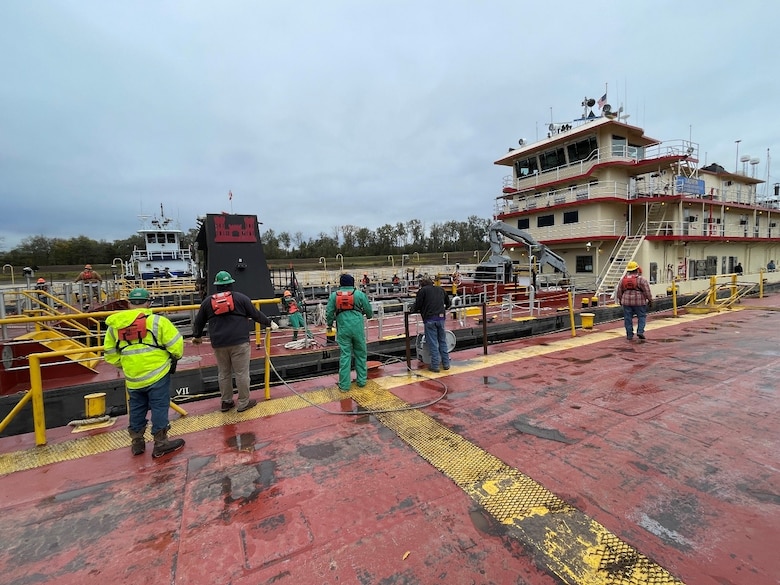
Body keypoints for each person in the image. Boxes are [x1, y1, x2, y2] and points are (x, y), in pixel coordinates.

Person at [104, 288, 185, 458]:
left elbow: (110, 353)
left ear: (128, 303)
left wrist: (125, 365)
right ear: (148, 303)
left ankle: (137, 443)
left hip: (132, 376)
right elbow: (176, 345)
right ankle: (161, 443)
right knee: (159, 406)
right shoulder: (158, 322)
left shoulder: (115, 326)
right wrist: (172, 357)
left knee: (136, 407)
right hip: (157, 372)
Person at [192, 270, 277, 413]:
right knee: (241, 373)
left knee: (223, 373)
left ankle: (226, 402)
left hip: (219, 344)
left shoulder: (207, 302)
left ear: (217, 285)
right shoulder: (241, 298)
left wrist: (197, 336)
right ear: (231, 284)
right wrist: (269, 323)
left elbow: (199, 321)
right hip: (239, 343)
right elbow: (255, 314)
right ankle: (243, 402)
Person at [325, 273, 374, 391]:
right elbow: (369, 312)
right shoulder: (359, 294)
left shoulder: (334, 296)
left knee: (345, 356)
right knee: (361, 354)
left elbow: (329, 313)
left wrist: (330, 325)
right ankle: (361, 381)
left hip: (343, 329)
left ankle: (344, 385)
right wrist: (367, 315)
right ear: (352, 283)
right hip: (357, 328)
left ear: (341, 284)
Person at [410, 276, 452, 372]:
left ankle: (435, 365)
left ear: (422, 285)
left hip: (430, 319)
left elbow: (418, 304)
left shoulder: (423, 291)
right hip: (441, 318)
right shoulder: (440, 289)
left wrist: (412, 310)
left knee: (433, 343)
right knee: (442, 341)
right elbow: (448, 303)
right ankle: (446, 363)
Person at [615, 261, 653, 341]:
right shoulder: (641, 279)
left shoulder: (623, 280)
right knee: (641, 316)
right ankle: (640, 331)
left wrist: (620, 300)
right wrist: (650, 300)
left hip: (626, 301)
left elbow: (619, 291)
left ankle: (629, 334)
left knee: (627, 318)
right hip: (639, 301)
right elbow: (647, 291)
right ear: (637, 269)